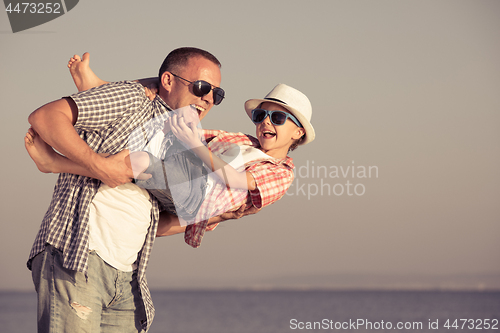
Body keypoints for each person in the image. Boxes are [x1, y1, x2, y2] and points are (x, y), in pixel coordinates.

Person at [25, 47, 247, 333]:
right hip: (78, 257)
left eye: (216, 94)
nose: (208, 98)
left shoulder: (184, 143)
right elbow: (44, 117)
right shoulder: (134, 99)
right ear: (168, 81)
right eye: (201, 87)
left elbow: (161, 224)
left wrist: (216, 216)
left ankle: (55, 162)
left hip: (128, 276)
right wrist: (99, 166)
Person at [26, 80, 316, 247]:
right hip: (188, 179)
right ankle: (95, 87)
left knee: (137, 161)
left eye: (277, 118)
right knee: (156, 129)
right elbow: (178, 124)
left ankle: (56, 163)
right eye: (260, 116)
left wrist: (191, 144)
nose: (265, 122)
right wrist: (187, 137)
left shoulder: (282, 173)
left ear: (298, 132)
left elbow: (234, 180)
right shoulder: (242, 142)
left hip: (198, 197)